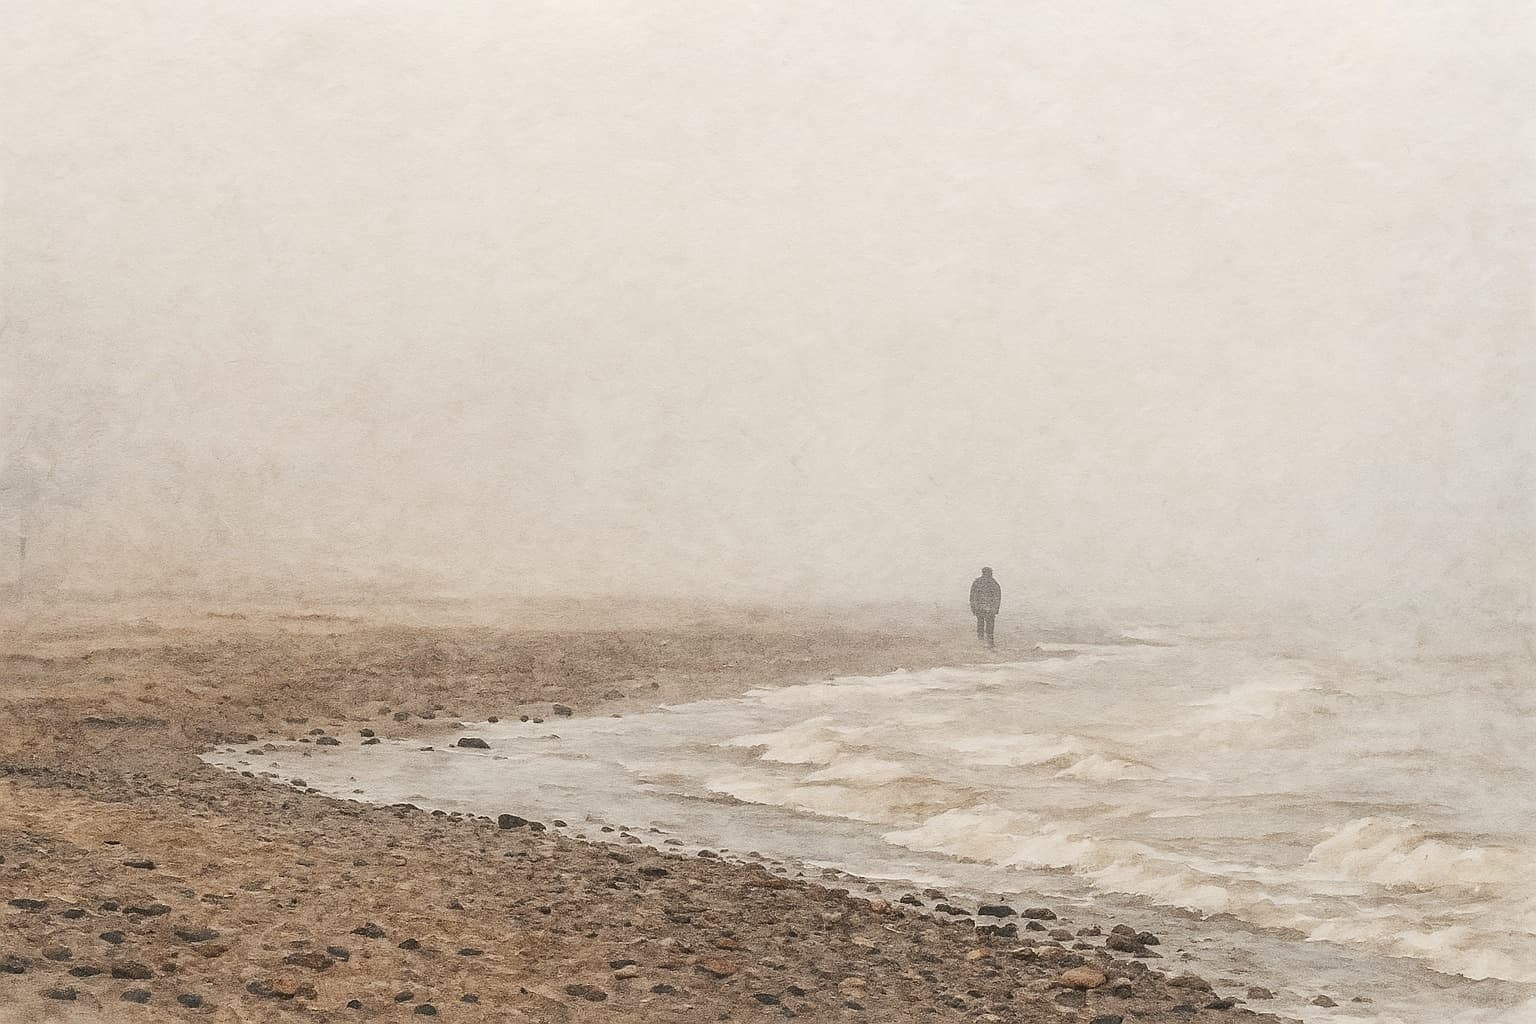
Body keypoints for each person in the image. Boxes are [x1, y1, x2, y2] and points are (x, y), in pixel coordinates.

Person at [969, 567, 1001, 648]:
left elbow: (972, 596)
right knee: (989, 625)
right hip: (989, 608)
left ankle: (982, 640)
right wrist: (996, 608)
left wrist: (973, 607)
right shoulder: (994, 583)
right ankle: (988, 641)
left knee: (981, 623)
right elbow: (998, 597)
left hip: (981, 608)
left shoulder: (977, 582)